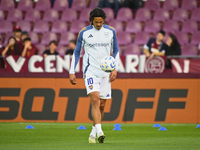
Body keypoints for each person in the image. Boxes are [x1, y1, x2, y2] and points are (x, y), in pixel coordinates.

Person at [69, 8, 119, 144]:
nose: (99, 24)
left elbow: (116, 51)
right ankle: (101, 132)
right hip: (90, 71)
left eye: (101, 22)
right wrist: (72, 71)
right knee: (95, 100)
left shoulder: (110, 31)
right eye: (96, 22)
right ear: (92, 20)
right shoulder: (84, 33)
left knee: (102, 105)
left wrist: (115, 69)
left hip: (106, 73)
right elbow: (77, 52)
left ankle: (93, 132)